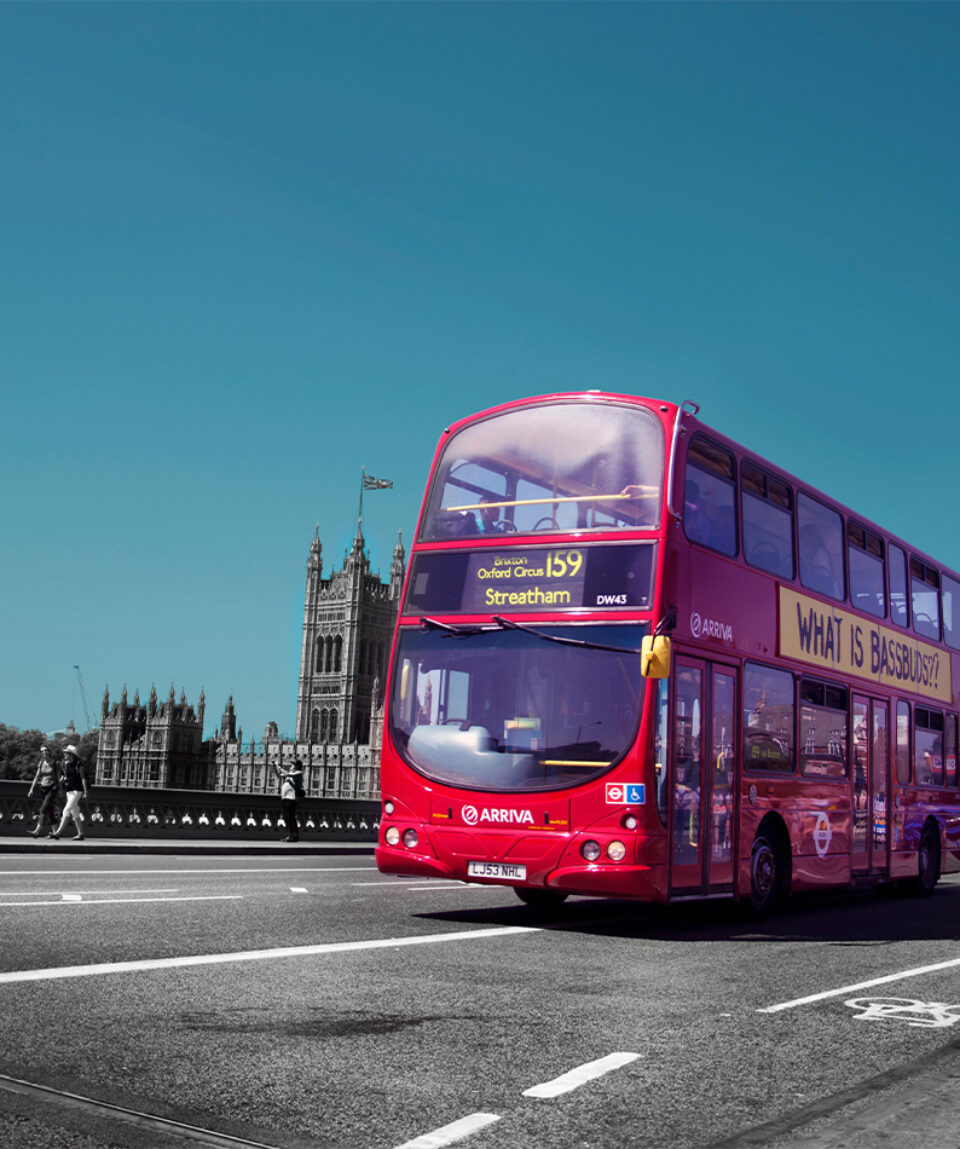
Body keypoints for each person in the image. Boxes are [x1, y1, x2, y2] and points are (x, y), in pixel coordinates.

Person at [51, 746, 89, 841]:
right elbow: (66, 777)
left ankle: (58, 833)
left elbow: (83, 778)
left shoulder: (79, 764)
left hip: (77, 790)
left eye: (66, 753)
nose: (64, 754)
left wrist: (85, 792)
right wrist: (62, 780)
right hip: (69, 790)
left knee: (66, 810)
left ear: (71, 754)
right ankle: (81, 834)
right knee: (75, 812)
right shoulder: (66, 764)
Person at [27, 745, 59, 838]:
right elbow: (37, 777)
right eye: (42, 751)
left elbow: (60, 777)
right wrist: (31, 789)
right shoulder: (41, 763)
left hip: (52, 788)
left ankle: (36, 831)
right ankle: (55, 833)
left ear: (49, 751)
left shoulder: (55, 763)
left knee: (43, 809)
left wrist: (60, 789)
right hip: (43, 788)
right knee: (50, 810)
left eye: (46, 751)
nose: (44, 752)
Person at [271, 758, 305, 842]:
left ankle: (295, 835)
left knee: (291, 817)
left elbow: (289, 775)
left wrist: (279, 767)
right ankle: (290, 835)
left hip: (292, 798)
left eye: (292, 764)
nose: (290, 766)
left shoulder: (298, 773)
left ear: (297, 766)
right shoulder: (290, 774)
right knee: (286, 817)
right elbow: (279, 776)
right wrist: (275, 767)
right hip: (285, 797)